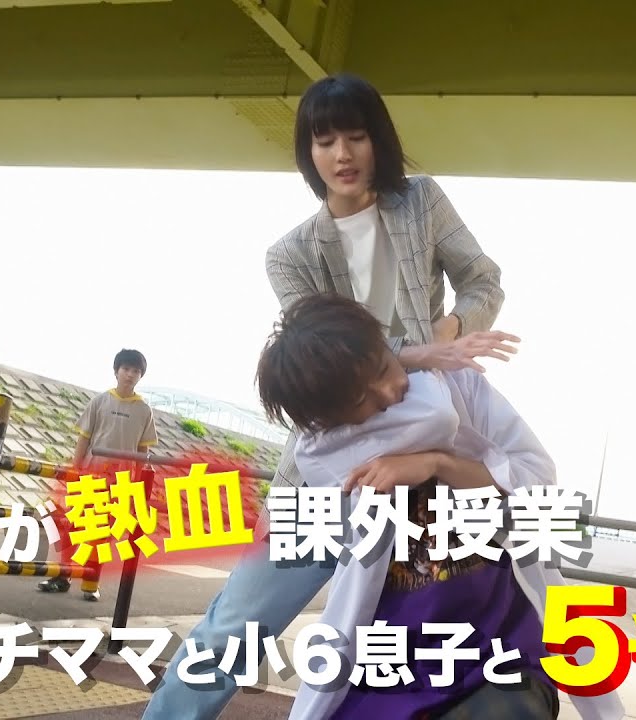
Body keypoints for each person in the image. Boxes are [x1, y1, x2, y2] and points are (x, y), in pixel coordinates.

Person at [143, 72, 518, 719]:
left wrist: (452, 331)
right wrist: (424, 353)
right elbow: (327, 361)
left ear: (379, 141)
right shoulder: (289, 255)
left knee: (422, 649)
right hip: (324, 470)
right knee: (235, 627)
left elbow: (484, 281)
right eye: (324, 141)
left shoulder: (422, 202)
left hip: (422, 464)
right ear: (307, 153)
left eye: (356, 136)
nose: (342, 154)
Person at [259, 294, 625, 720]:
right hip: (393, 657)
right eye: (362, 402)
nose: (390, 391)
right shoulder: (328, 454)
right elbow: (421, 422)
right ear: (329, 419)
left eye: (385, 367)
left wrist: (438, 463)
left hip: (500, 650)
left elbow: (537, 480)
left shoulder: (458, 388)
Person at [37, 348, 158, 600]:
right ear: (116, 371)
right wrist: (75, 469)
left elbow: (143, 450)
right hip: (91, 474)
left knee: (103, 533)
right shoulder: (100, 401)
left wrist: (137, 484)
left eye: (136, 371)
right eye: (126, 369)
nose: (130, 375)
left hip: (121, 481)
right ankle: (62, 576)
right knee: (74, 526)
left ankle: (91, 583)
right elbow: (84, 438)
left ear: (141, 376)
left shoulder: (144, 410)